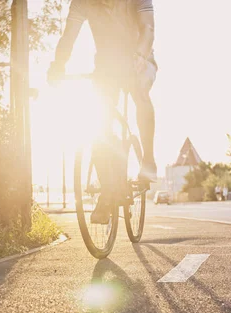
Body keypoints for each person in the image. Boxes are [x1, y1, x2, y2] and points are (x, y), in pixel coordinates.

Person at [48, 0, 158, 223]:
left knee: (140, 91)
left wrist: (139, 55)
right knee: (99, 122)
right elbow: (68, 37)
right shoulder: (81, 3)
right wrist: (57, 65)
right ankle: (108, 189)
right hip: (106, 66)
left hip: (139, 58)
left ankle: (148, 160)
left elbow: (148, 28)